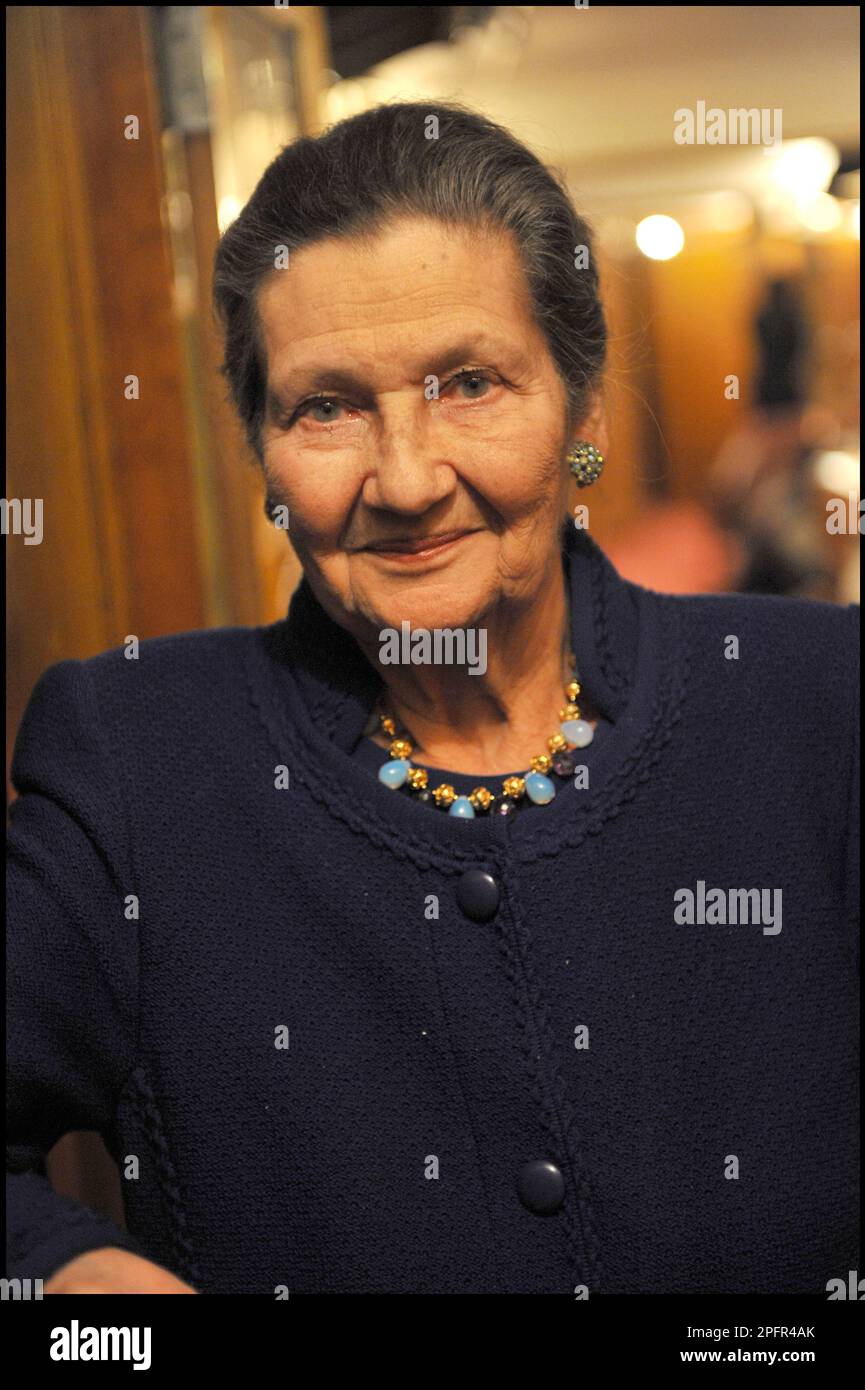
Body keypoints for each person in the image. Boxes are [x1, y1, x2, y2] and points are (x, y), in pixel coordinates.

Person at [6, 101, 858, 1295]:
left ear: (584, 418)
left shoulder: (818, 705)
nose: (404, 480)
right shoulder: (139, 754)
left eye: (469, 382)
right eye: (326, 406)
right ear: (263, 455)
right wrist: (84, 1291)